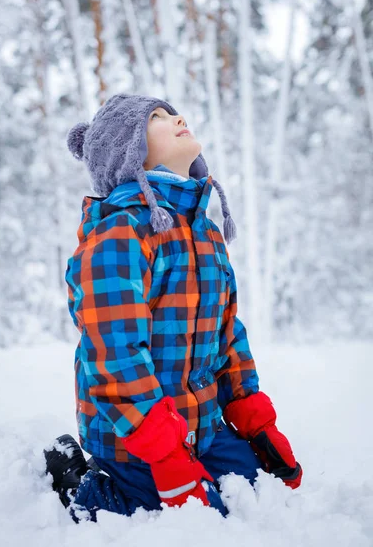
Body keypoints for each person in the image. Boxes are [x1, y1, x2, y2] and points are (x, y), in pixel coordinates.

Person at [44, 94, 302, 522]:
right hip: (134, 437)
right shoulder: (119, 233)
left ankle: (188, 465)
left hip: (199, 428)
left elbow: (227, 336)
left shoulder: (205, 233)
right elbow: (115, 353)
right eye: (156, 118)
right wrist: (163, 452)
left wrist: (256, 422)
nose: (177, 118)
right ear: (129, 152)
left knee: (260, 487)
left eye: (172, 111)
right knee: (179, 516)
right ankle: (84, 485)